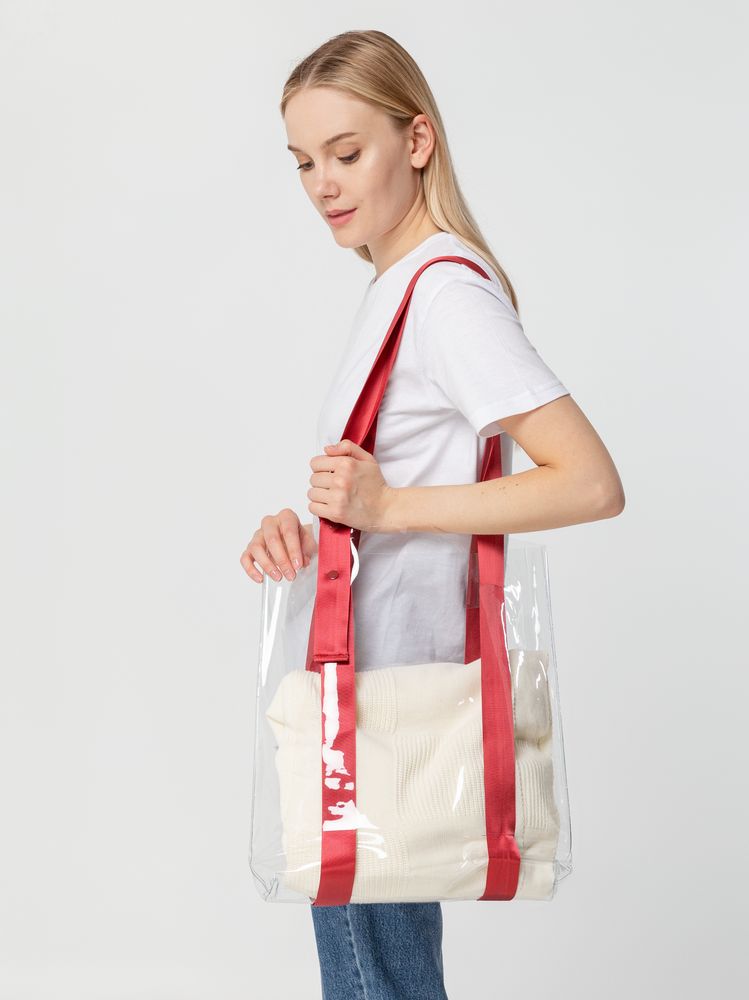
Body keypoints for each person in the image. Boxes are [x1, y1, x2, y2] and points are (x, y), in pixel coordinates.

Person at [240, 28, 625, 1000]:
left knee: (378, 984)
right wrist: (315, 535)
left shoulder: (443, 295)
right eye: (302, 162)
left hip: (391, 699)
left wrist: (386, 504)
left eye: (345, 152)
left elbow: (588, 481)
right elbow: (389, 494)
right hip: (359, 687)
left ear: (416, 141)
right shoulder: (396, 288)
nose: (322, 185)